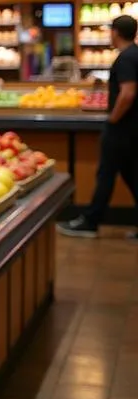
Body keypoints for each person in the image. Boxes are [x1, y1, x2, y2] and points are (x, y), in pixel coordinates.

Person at [58, 14, 138, 238]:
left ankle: (91, 222)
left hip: (122, 128)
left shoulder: (125, 58)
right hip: (132, 129)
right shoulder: (135, 55)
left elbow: (128, 93)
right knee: (132, 175)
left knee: (106, 174)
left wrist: (113, 118)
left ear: (115, 32)